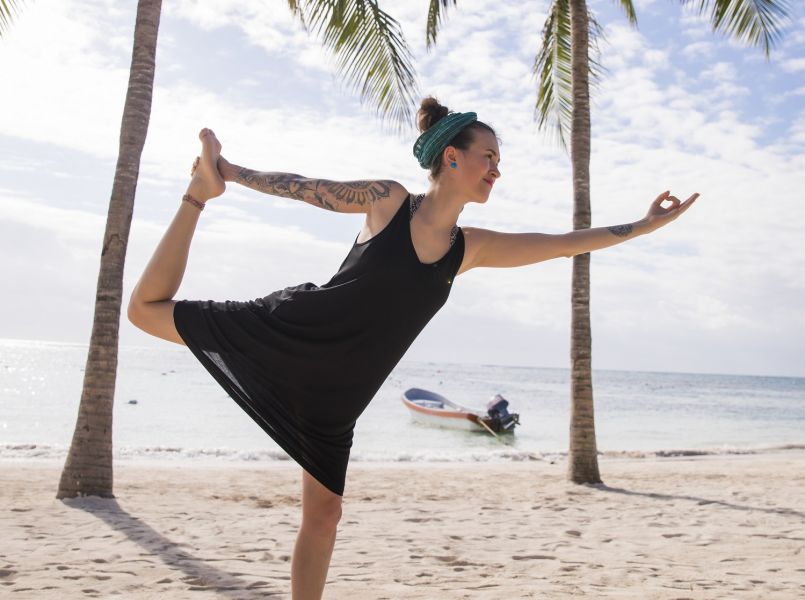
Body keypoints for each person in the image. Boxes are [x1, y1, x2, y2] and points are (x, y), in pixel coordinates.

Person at [127, 95, 698, 599]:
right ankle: (196, 197)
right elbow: (304, 188)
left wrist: (642, 227)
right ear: (453, 157)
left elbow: (557, 245)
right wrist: (227, 172)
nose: (497, 169)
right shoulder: (388, 202)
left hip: (337, 399)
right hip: (293, 333)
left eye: (497, 160)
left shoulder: (466, 249)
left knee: (324, 517)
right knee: (143, 312)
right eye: (489, 157)